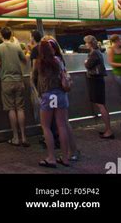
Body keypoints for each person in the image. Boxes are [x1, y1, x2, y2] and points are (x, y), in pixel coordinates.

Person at [32, 40, 71, 168]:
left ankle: (51, 158)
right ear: (52, 49)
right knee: (62, 126)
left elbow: (34, 79)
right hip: (60, 95)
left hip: (48, 96)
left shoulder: (39, 63)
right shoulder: (58, 61)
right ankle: (65, 158)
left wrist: (38, 93)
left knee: (46, 127)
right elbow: (64, 74)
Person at [0, 26, 29, 147]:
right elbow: (25, 61)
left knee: (11, 109)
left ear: (2, 35)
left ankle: (15, 137)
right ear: (11, 35)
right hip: (19, 80)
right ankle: (24, 137)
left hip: (7, 81)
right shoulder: (17, 46)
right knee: (20, 108)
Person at [84, 34, 114, 139]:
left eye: (86, 43)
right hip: (97, 80)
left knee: (101, 105)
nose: (85, 45)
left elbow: (87, 65)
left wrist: (86, 62)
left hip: (96, 80)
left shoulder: (94, 53)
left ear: (90, 43)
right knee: (101, 104)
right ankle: (107, 129)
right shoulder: (97, 52)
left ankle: (109, 131)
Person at [106, 34, 121, 132]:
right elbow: (110, 62)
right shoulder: (111, 50)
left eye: (120, 40)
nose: (120, 42)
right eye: (118, 40)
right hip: (119, 74)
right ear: (114, 41)